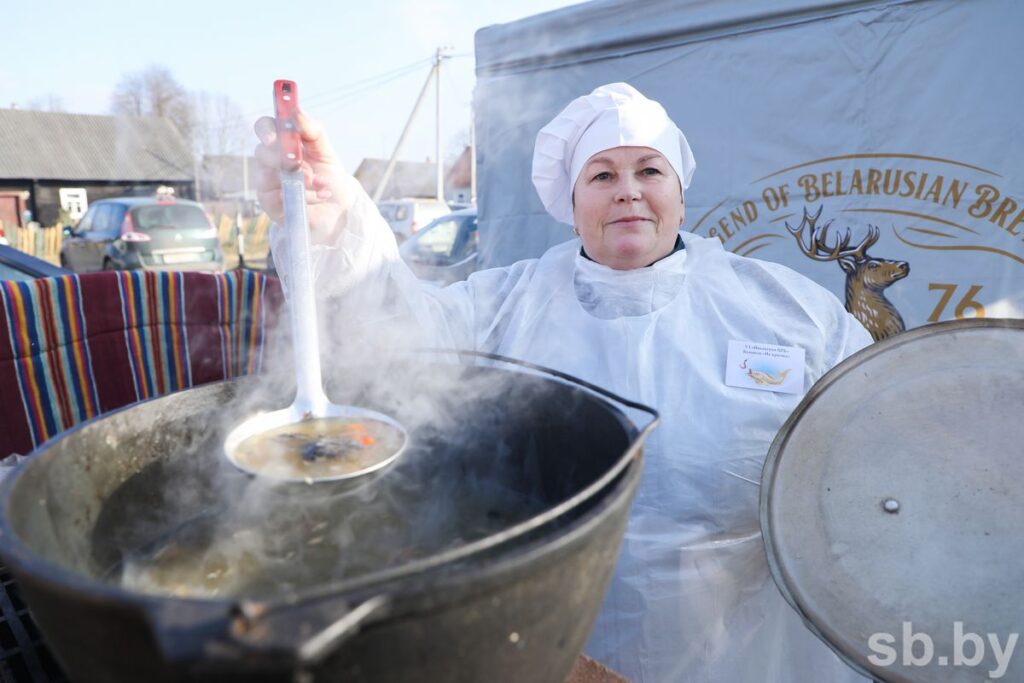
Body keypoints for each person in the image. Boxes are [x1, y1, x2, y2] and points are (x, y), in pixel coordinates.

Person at [254, 83, 873, 682]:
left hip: (744, 652)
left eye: (649, 171)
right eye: (602, 175)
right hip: (559, 645)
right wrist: (332, 218)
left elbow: (879, 447)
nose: (628, 192)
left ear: (681, 196)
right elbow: (394, 331)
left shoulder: (789, 312)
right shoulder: (507, 304)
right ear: (572, 205)